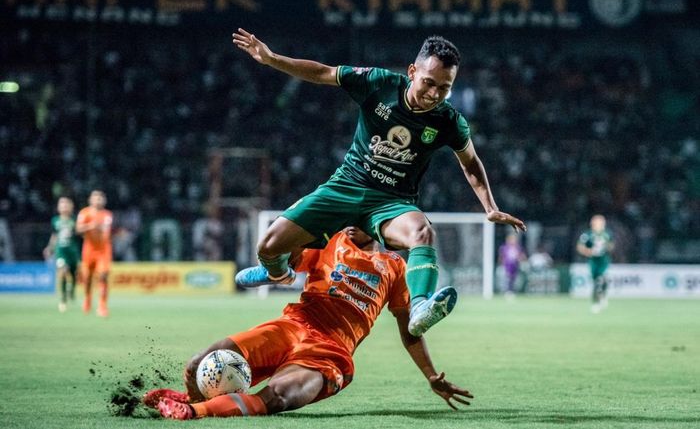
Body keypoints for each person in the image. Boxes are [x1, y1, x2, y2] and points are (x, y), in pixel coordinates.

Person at [232, 28, 526, 336]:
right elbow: (323, 73)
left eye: (444, 88)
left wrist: (490, 207)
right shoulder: (378, 83)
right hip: (346, 187)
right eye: (429, 82)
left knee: (422, 232)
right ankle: (278, 273)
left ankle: (421, 307)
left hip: (391, 202)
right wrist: (272, 59)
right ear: (412, 71)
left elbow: (471, 164)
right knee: (267, 245)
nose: (435, 94)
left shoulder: (449, 120)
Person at [143, 227, 473, 420]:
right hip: (292, 326)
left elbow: (408, 331)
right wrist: (275, 265)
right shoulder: (328, 240)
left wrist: (431, 375)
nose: (353, 217)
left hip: (329, 352)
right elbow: (289, 254)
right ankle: (192, 400)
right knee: (196, 365)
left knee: (277, 398)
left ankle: (194, 413)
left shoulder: (394, 267)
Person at [76, 190, 113, 317]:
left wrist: (99, 228)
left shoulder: (107, 214)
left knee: (103, 275)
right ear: (90, 200)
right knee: (87, 278)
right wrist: (90, 226)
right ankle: (87, 299)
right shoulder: (84, 213)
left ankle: (102, 306)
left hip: (103, 250)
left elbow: (106, 231)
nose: (98, 200)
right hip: (89, 250)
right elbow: (78, 229)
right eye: (95, 198)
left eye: (100, 198)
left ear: (104, 200)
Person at [43, 196, 80, 313]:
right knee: (63, 271)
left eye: (66, 204)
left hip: (73, 252)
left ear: (71, 207)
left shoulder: (75, 220)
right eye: (61, 204)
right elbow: (54, 235)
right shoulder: (55, 220)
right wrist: (49, 247)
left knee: (73, 273)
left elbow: (80, 234)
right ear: (58, 207)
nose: (64, 206)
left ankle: (72, 289)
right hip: (61, 251)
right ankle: (63, 300)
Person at [576, 215, 614, 313]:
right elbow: (580, 247)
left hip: (604, 260)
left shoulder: (607, 234)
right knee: (595, 281)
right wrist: (588, 251)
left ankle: (596, 303)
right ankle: (600, 297)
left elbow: (611, 246)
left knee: (599, 280)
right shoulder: (587, 234)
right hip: (593, 261)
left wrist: (605, 248)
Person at [498, 233, 527, 299]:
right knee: (506, 279)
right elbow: (501, 257)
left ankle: (512, 291)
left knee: (514, 279)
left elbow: (522, 256)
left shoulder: (518, 247)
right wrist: (501, 263)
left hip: (515, 265)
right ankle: (507, 291)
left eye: (514, 239)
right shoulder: (504, 247)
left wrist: (521, 259)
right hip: (507, 266)